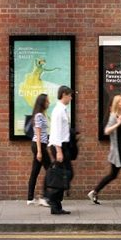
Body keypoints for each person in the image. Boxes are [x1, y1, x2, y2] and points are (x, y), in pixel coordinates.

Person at [46, 86, 74, 215]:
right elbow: (56, 131)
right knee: (62, 175)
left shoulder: (62, 110)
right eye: (70, 95)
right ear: (64, 94)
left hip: (63, 146)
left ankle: (56, 204)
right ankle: (53, 202)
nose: (71, 98)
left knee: (65, 174)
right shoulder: (58, 111)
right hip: (59, 146)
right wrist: (58, 151)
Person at [26, 94, 51, 207]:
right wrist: (40, 151)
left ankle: (30, 198)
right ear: (42, 103)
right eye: (47, 101)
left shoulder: (42, 115)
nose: (49, 103)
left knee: (35, 171)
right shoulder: (39, 115)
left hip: (40, 145)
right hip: (38, 145)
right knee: (50, 170)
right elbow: (38, 133)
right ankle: (45, 197)